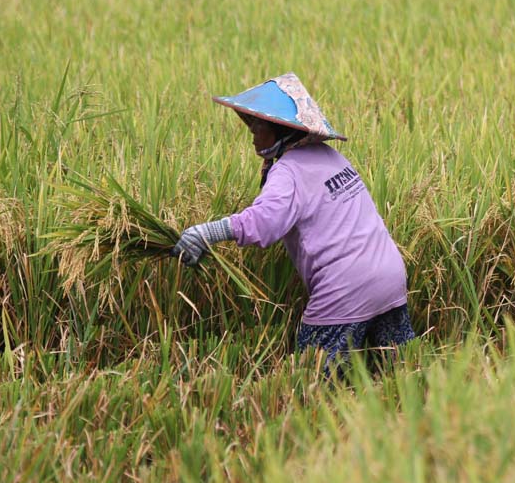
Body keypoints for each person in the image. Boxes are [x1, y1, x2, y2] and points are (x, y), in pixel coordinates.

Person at [172, 72, 415, 377]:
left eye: (257, 127)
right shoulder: (334, 158)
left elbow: (263, 223)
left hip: (344, 288)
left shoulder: (288, 172)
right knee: (402, 379)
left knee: (312, 385)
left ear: (280, 131)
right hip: (389, 276)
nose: (252, 136)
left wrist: (207, 232)